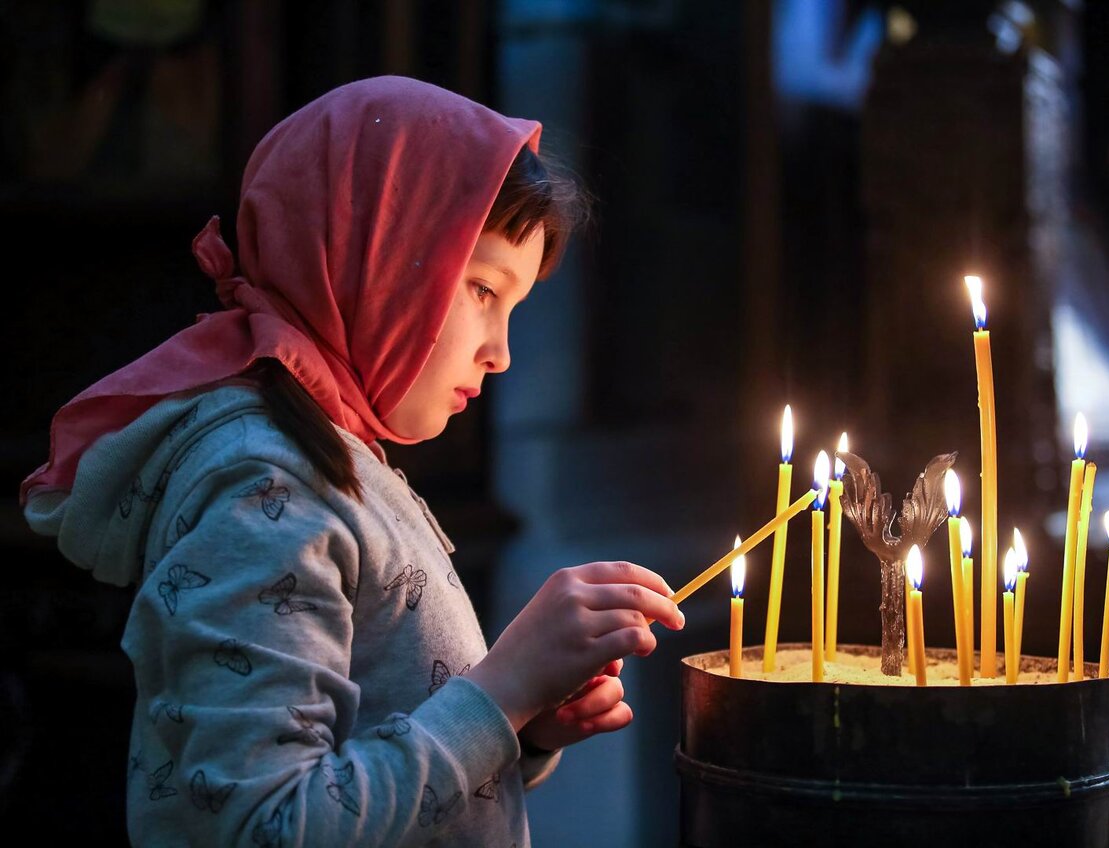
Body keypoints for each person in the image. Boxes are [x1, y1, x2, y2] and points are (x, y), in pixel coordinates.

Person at [20, 75, 685, 847]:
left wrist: (524, 725)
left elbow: (369, 731)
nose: (500, 353)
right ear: (372, 254)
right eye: (481, 289)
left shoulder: (333, 457)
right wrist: (499, 694)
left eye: (513, 308)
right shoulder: (262, 487)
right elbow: (266, 824)